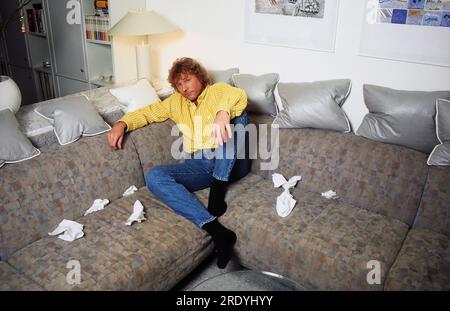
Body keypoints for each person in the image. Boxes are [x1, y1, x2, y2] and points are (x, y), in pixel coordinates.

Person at [107, 57, 250, 268]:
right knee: (154, 176)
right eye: (179, 84)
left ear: (200, 77)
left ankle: (218, 187)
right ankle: (217, 231)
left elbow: (239, 96)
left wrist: (222, 113)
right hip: (200, 165)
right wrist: (121, 123)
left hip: (230, 162)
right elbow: (148, 113)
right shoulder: (176, 103)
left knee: (240, 117)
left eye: (188, 80)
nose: (184, 88)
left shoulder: (218, 90)